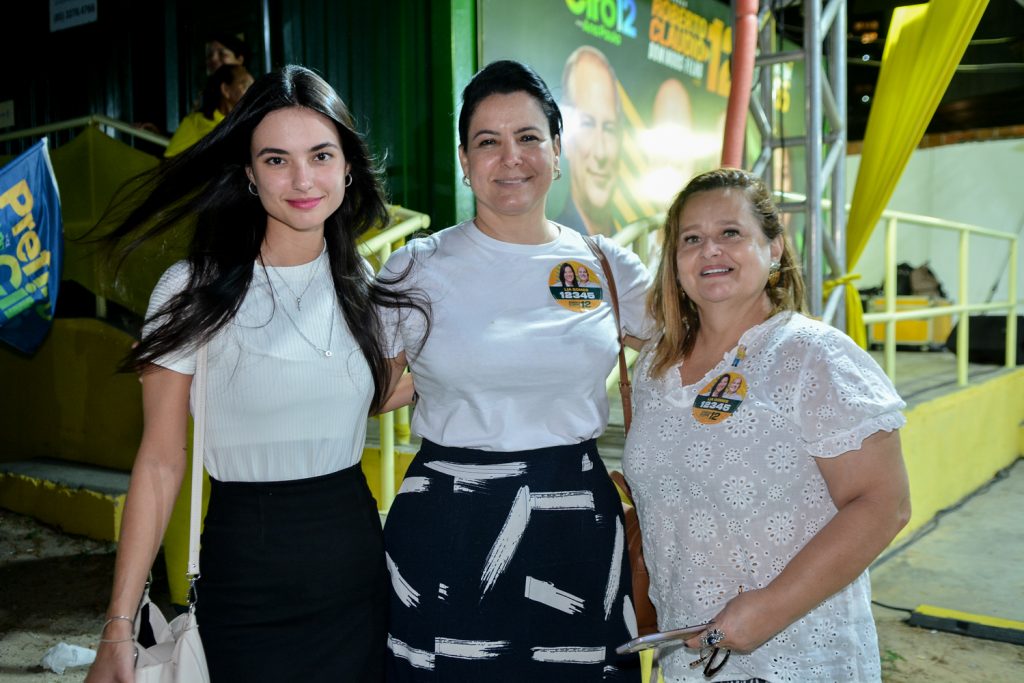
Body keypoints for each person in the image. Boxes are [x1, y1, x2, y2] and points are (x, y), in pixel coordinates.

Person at [86, 65, 421, 682]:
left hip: (356, 577)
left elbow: (360, 393)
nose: (301, 179)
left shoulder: (368, 291)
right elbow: (160, 462)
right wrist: (118, 624)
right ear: (247, 173)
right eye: (275, 159)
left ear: (348, 166)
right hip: (245, 582)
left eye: (321, 155)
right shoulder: (191, 290)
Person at [380, 60, 650, 681]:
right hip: (450, 517)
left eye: (529, 138)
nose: (511, 158)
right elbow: (368, 391)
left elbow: (685, 354)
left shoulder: (606, 265)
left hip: (574, 517)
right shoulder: (416, 267)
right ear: (464, 161)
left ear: (557, 150)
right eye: (488, 142)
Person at [622, 168, 911, 681]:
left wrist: (770, 609)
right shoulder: (655, 368)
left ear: (774, 248)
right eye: (692, 239)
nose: (710, 250)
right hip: (689, 654)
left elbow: (884, 504)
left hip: (795, 654)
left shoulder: (814, 356)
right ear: (675, 260)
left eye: (730, 233)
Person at [557, 46, 622, 236]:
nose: (600, 152)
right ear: (565, 141)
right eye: (587, 124)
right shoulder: (549, 252)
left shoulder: (634, 247)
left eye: (609, 128)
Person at [164, 64, 254, 158]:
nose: (252, 91)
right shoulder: (197, 122)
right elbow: (170, 160)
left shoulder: (250, 123)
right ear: (226, 90)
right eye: (245, 85)